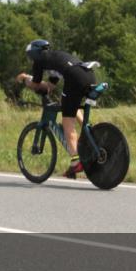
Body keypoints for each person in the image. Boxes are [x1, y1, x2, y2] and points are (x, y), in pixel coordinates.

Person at [16, 39, 96, 179]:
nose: (30, 60)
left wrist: (24, 78)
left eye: (30, 56)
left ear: (34, 53)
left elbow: (35, 84)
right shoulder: (54, 58)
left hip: (74, 77)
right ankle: (88, 130)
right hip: (88, 74)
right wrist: (42, 86)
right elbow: (49, 87)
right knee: (69, 104)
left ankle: (76, 161)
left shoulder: (39, 61)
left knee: (67, 123)